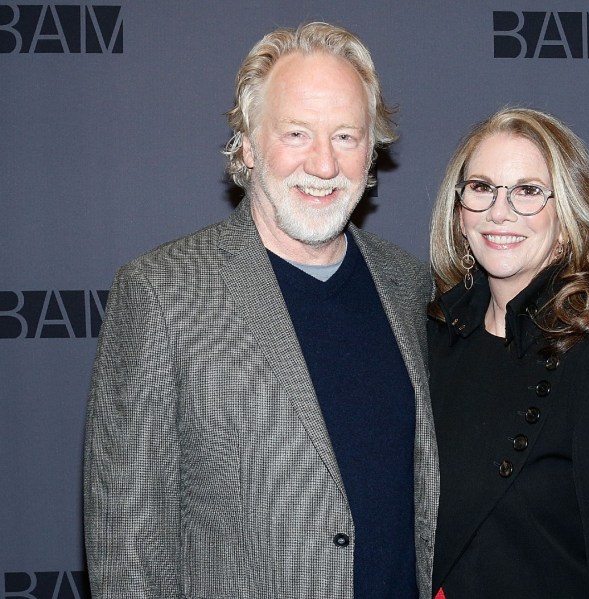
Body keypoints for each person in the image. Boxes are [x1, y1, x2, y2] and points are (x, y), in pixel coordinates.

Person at [83, 22, 438, 598]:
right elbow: (127, 549)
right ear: (247, 146)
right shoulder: (160, 292)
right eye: (296, 133)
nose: (324, 165)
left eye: (346, 136)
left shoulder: (410, 285)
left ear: (372, 149)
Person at [427, 107, 589, 598]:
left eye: (527, 191)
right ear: (459, 214)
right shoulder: (432, 340)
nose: (500, 211)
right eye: (481, 188)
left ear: (566, 220)